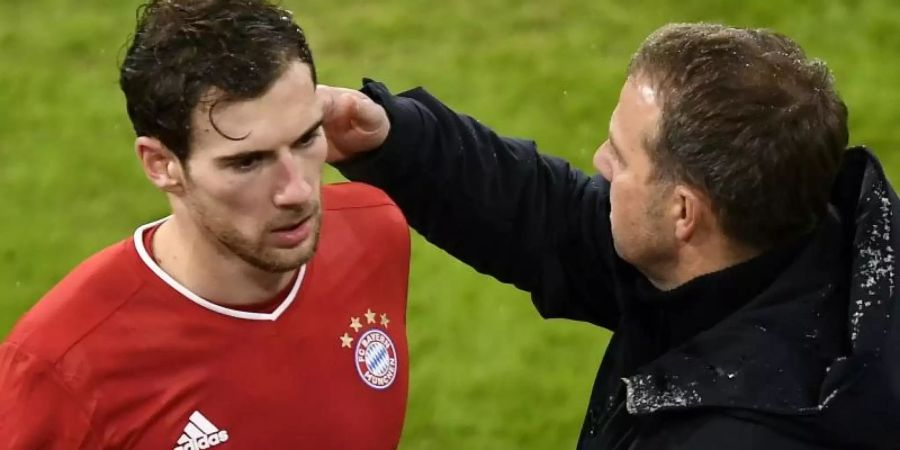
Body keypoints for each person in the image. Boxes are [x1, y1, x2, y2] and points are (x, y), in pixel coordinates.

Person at [321, 23, 900, 449]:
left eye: (620, 160)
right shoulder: (784, 241)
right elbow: (554, 218)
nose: (598, 162)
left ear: (683, 213)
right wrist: (392, 140)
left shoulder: (749, 435)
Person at [0, 1, 410, 449]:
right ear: (161, 165)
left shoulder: (374, 232)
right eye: (248, 162)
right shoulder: (62, 368)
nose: (295, 192)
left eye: (306, 139)